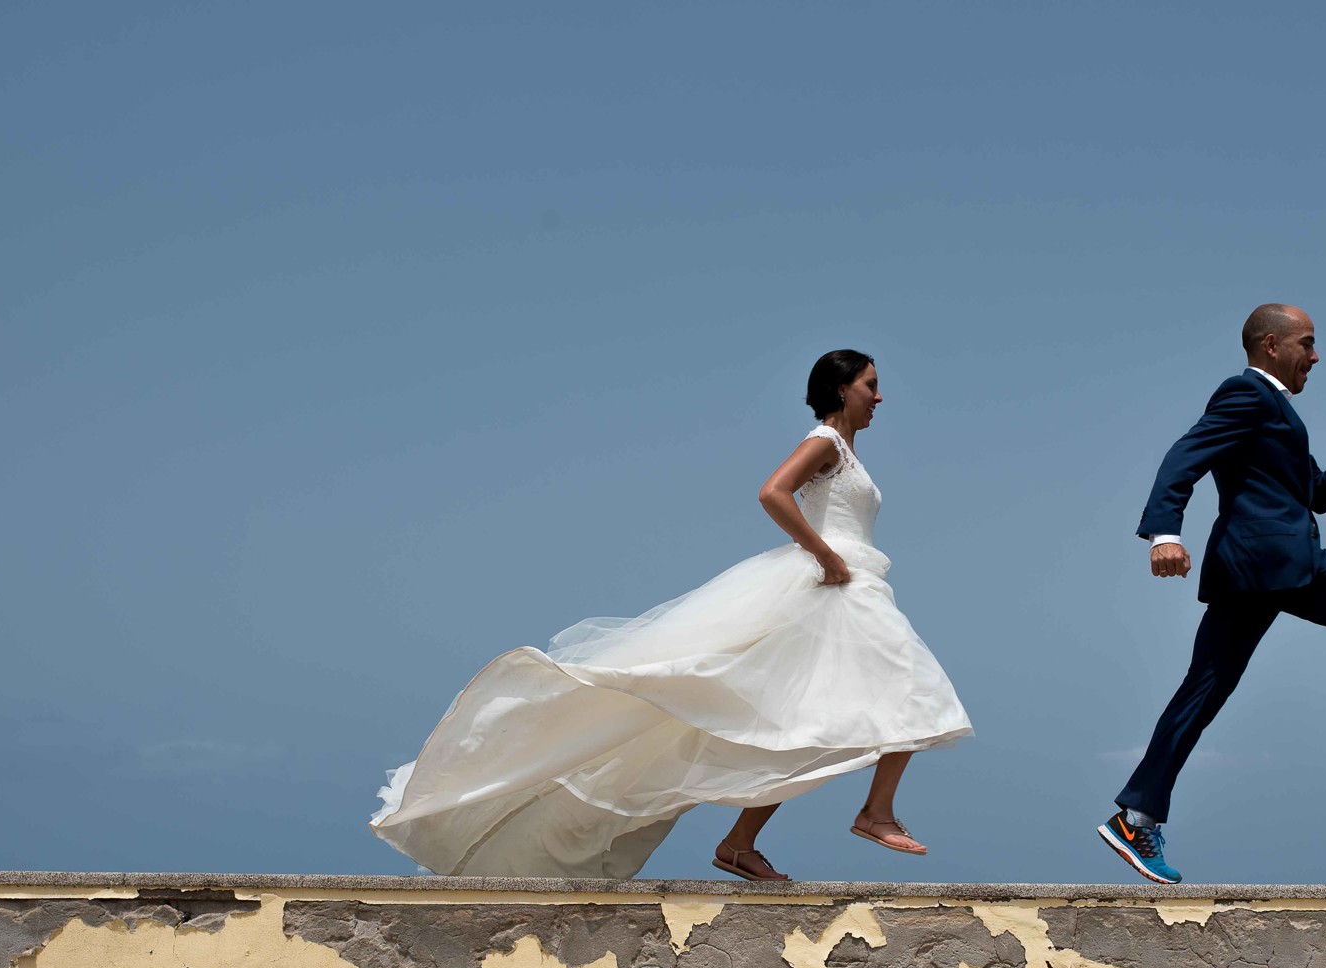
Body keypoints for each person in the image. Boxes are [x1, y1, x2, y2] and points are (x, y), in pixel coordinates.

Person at [372, 350, 971, 881]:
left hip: (848, 587)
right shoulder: (825, 443)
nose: (879, 396)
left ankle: (743, 843)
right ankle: (873, 813)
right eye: (871, 384)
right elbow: (772, 492)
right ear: (843, 389)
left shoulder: (847, 453)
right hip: (835, 587)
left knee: (803, 719)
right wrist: (825, 556)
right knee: (905, 685)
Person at [1099, 304, 1326, 886]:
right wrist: (1165, 533)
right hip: (1271, 561)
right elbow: (1185, 455)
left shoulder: (1275, 410)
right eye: (1308, 343)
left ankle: (1136, 817)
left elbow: (1315, 493)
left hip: (1253, 567)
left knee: (1202, 692)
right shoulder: (1247, 394)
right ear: (1272, 345)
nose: (1316, 355)